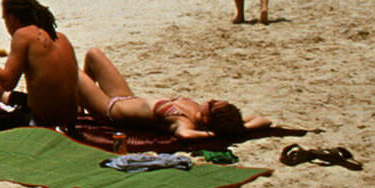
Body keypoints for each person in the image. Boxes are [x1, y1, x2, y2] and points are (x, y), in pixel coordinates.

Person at [78, 47, 272, 141]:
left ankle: (80, 101)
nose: (211, 100)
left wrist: (212, 134)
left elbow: (185, 135)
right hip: (125, 97)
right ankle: (80, 103)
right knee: (93, 54)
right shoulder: (198, 111)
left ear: (207, 119)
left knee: (72, 71)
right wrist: (241, 128)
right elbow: (263, 120)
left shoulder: (184, 121)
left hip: (108, 110)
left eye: (212, 105)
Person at [0, 0, 80, 130]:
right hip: (70, 117)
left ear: (12, 18)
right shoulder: (60, 37)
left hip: (45, 121)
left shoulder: (22, 35)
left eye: (5, 19)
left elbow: (8, 82)